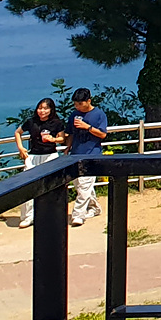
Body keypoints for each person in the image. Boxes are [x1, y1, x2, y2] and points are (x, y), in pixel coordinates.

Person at [15, 97, 68, 228]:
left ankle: (51, 213)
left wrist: (53, 139)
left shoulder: (56, 123)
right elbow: (18, 132)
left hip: (50, 155)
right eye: (40, 108)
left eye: (45, 108)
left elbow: (62, 138)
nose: (42, 111)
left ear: (51, 110)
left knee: (52, 185)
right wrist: (21, 148)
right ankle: (28, 216)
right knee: (27, 185)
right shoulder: (31, 121)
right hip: (33, 155)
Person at [66, 88, 108, 226]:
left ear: (88, 101)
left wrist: (87, 127)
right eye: (75, 104)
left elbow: (102, 134)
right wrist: (67, 148)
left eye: (80, 104)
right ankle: (94, 207)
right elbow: (70, 133)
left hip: (92, 154)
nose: (77, 107)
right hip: (75, 154)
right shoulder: (74, 115)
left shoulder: (99, 114)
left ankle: (78, 215)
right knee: (79, 185)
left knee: (84, 186)